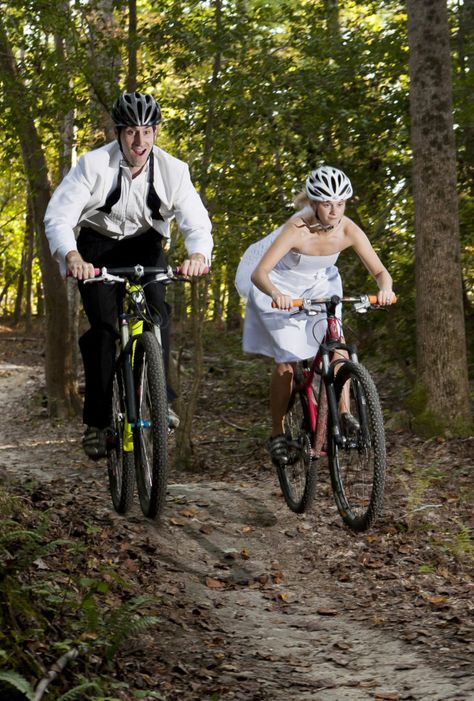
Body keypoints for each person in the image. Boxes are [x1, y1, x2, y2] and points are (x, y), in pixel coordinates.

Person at [44, 91, 213, 459]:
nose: (140, 141)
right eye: (132, 132)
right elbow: (59, 216)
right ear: (119, 132)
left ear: (155, 133)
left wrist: (198, 254)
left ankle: (159, 398)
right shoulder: (92, 165)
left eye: (148, 131)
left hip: (146, 245)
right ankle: (98, 422)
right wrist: (72, 256)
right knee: (104, 332)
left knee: (157, 315)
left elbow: (195, 220)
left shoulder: (174, 170)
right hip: (96, 246)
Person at [236, 165, 394, 466]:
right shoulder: (297, 230)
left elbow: (379, 271)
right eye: (326, 204)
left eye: (340, 203)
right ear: (313, 204)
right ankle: (277, 434)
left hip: (320, 283)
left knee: (338, 348)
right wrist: (276, 295)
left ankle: (345, 414)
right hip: (280, 287)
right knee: (285, 363)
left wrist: (385, 288)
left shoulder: (348, 229)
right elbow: (260, 274)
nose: (334, 211)